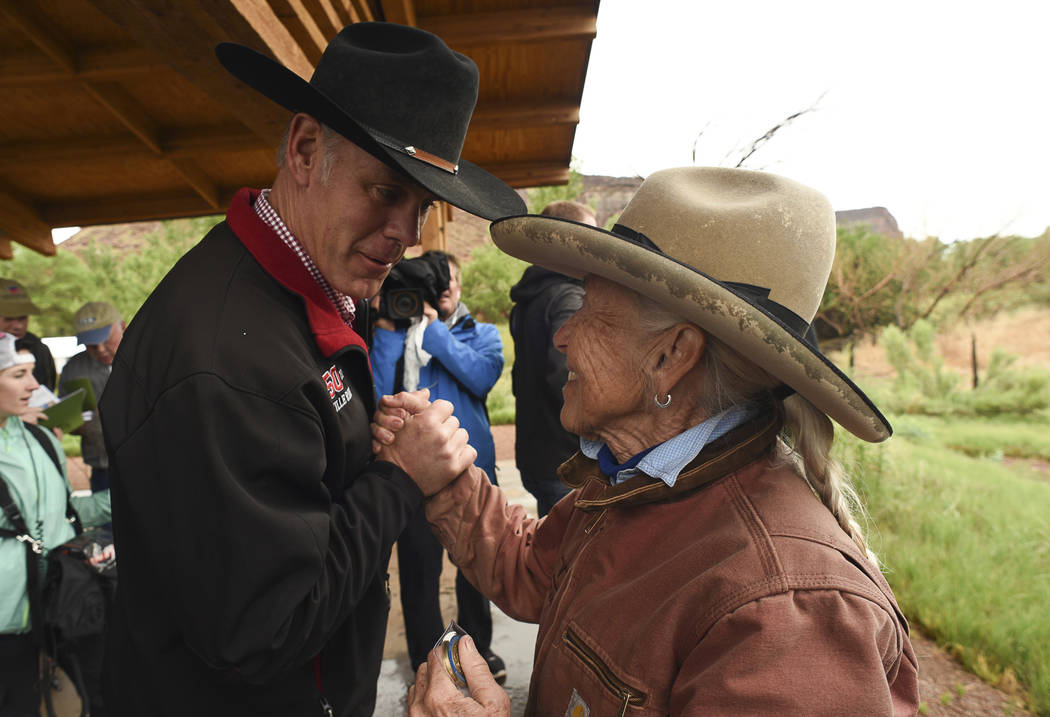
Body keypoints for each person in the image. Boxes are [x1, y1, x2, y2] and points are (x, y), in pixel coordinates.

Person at [378, 167, 920, 715]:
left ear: (670, 356)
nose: (563, 335)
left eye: (589, 308)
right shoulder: (641, 479)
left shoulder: (788, 612)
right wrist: (444, 476)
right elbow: (533, 569)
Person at [98, 22, 524, 717]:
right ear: (303, 149)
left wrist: (371, 444)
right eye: (385, 190)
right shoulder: (225, 358)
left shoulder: (311, 294)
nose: (407, 233)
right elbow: (262, 631)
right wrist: (399, 477)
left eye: (422, 205)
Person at [370, 251, 507, 680]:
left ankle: (477, 653)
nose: (444, 289)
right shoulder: (392, 335)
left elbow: (482, 376)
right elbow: (376, 391)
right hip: (416, 477)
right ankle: (429, 664)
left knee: (476, 570)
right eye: (436, 282)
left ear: (460, 287)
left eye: (450, 281)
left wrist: (432, 330)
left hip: (472, 472)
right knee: (419, 574)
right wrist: (388, 331)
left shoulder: (481, 334)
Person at [0, 332, 111, 717]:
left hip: (61, 610)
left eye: (32, 373)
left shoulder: (41, 438)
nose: (35, 385)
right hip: (7, 622)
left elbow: (66, 513)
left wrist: (137, 495)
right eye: (18, 375)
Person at [509, 201, 596, 516]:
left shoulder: (529, 295)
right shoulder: (568, 297)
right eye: (590, 237)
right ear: (566, 240)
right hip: (566, 462)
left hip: (534, 454)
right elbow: (567, 373)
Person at [59, 302, 124, 495]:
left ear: (123, 327)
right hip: (102, 467)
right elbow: (65, 419)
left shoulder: (146, 359)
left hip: (149, 461)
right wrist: (79, 425)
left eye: (106, 340)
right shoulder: (74, 369)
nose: (100, 349)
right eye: (91, 344)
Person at [0, 278, 57, 392]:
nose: (18, 326)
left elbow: (47, 392)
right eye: (8, 319)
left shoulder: (39, 349)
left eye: (23, 318)